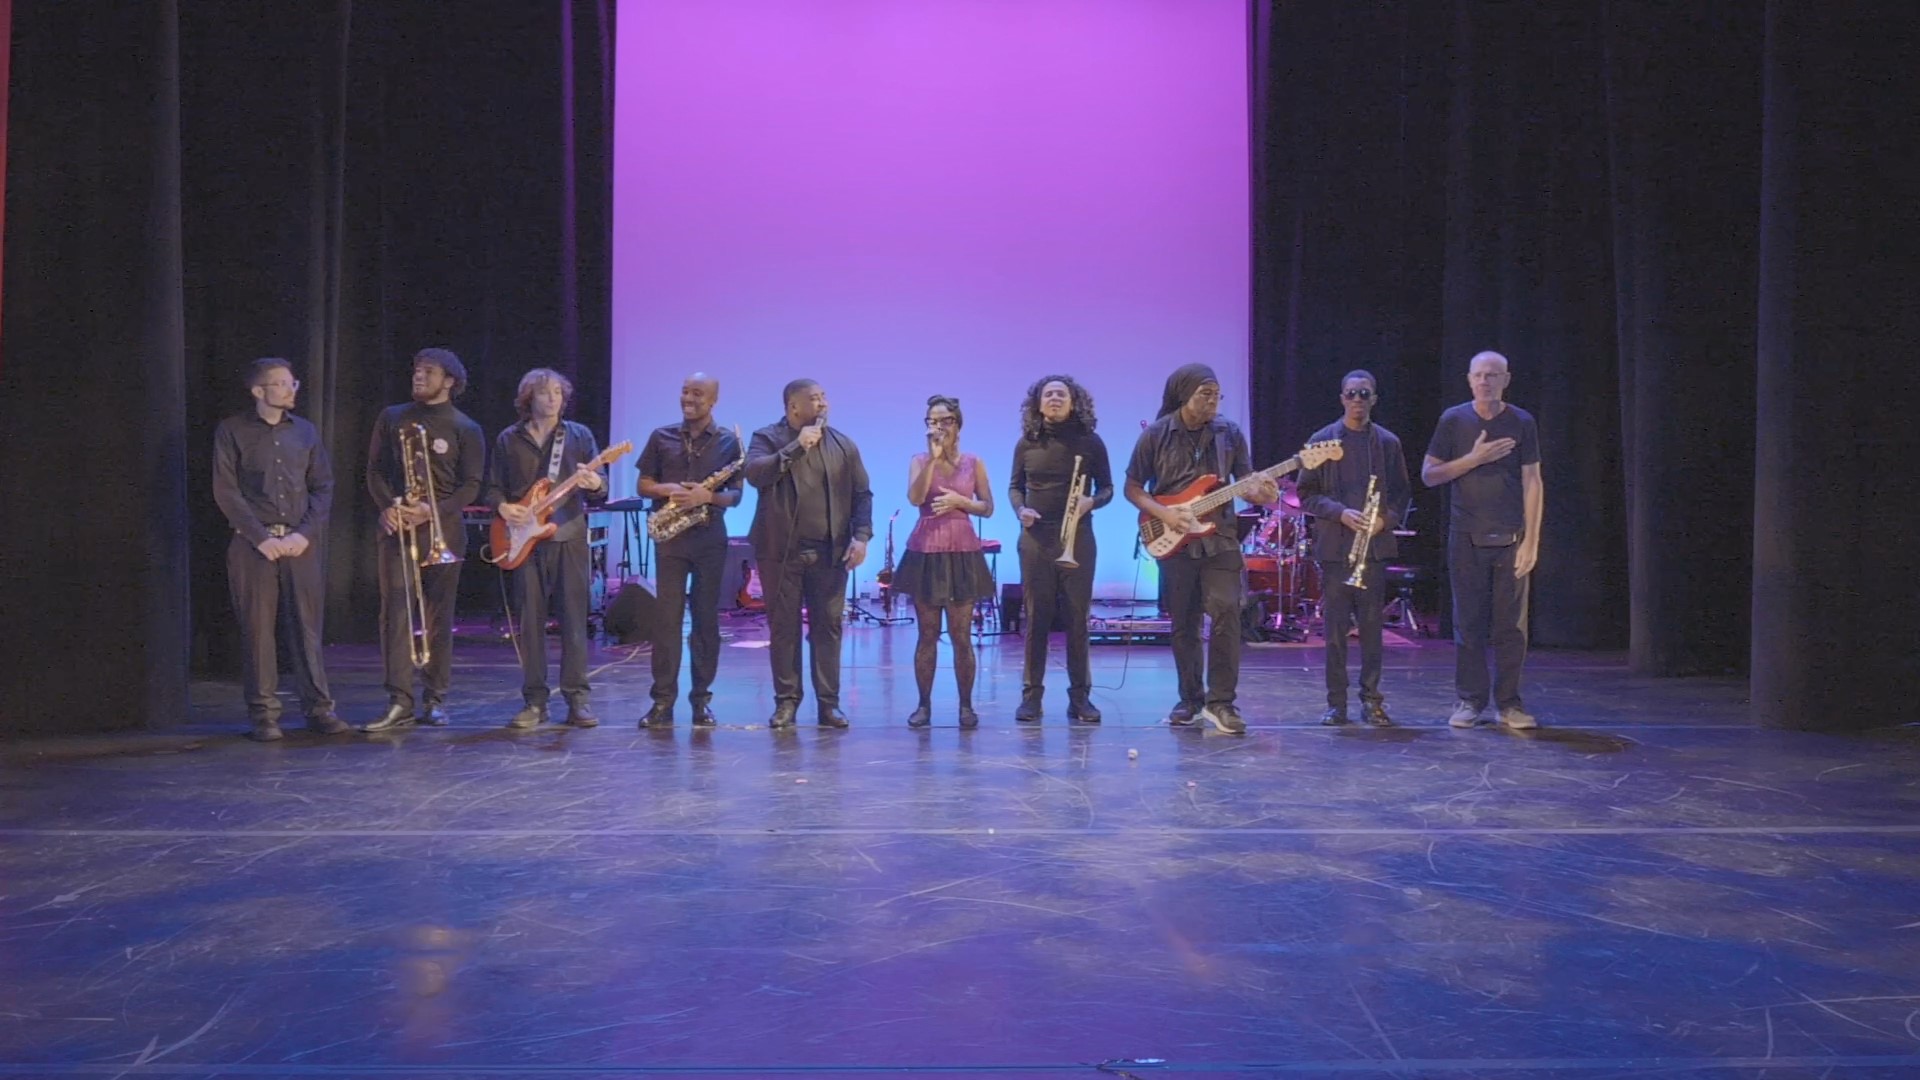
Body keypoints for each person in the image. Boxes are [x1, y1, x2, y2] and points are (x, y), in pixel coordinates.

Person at [1125, 364, 1280, 734]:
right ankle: (1190, 699)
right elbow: (1133, 487)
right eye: (1204, 394)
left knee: (1227, 610)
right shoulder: (1157, 434)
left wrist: (1262, 491)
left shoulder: (1230, 433)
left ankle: (1222, 702)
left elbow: (1247, 482)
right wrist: (1164, 513)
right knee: (1185, 622)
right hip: (1174, 536)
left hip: (1220, 535)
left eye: (1216, 395)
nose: (1212, 401)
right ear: (1184, 395)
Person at [210, 358, 347, 742]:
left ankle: (319, 709)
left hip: (300, 543)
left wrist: (304, 534)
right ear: (259, 392)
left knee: (306, 628)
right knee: (257, 632)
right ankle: (264, 715)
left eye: (293, 383)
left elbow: (323, 486)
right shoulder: (232, 431)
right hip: (254, 545)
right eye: (282, 384)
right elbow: (226, 490)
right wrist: (260, 537)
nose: (291, 390)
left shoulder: (304, 432)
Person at [363, 348, 486, 732]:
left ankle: (434, 699)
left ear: (449, 381)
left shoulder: (465, 427)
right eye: (416, 370)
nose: (418, 376)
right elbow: (375, 472)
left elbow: (471, 486)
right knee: (395, 614)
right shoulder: (393, 417)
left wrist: (433, 510)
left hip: (442, 531)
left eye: (428, 372)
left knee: (438, 618)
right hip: (399, 529)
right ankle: (399, 699)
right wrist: (390, 507)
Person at [1421, 350, 1544, 730]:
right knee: (1469, 623)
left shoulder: (1522, 421)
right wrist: (1474, 458)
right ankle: (1469, 700)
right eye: (1479, 375)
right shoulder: (1453, 420)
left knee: (1511, 627)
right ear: (1469, 379)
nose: (1485, 381)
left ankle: (1509, 704)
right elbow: (1430, 475)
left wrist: (1531, 542)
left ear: (1506, 379)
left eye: (1493, 375)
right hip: (1466, 537)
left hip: (1511, 538)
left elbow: (1533, 481)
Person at [744, 379, 873, 729]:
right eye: (813, 399)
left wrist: (861, 537)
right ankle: (786, 702)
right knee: (783, 628)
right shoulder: (767, 438)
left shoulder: (842, 444)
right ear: (792, 407)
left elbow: (863, 494)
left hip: (829, 552)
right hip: (780, 551)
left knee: (827, 628)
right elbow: (754, 473)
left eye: (823, 397)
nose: (822, 404)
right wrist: (795, 448)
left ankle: (828, 704)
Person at [489, 368, 607, 730]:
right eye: (544, 393)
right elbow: (493, 487)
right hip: (524, 541)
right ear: (529, 399)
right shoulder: (509, 439)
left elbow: (601, 489)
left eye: (558, 392)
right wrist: (503, 507)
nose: (553, 398)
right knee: (530, 624)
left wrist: (594, 481)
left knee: (574, 621)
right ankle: (534, 702)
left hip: (567, 535)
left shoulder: (579, 435)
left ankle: (578, 700)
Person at [1297, 370, 1412, 726]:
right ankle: (1337, 704)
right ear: (1342, 398)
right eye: (1351, 394)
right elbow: (1306, 494)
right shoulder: (1322, 440)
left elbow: (1402, 494)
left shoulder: (1387, 443)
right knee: (1334, 633)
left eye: (1364, 394)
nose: (1358, 399)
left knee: (1373, 630)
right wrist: (1340, 513)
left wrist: (1384, 521)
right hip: (1335, 549)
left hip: (1373, 549)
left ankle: (1372, 700)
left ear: (1374, 398)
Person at [635, 373, 743, 728]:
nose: (689, 398)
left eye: (697, 393)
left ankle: (701, 701)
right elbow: (644, 483)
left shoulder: (729, 442)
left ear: (713, 400)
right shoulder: (661, 436)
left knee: (705, 622)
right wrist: (671, 491)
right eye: (684, 391)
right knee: (665, 622)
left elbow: (736, 496)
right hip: (671, 538)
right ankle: (662, 702)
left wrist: (706, 496)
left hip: (710, 538)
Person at [1007, 375, 1112, 724]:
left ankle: (1079, 698)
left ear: (1073, 402)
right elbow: (1014, 487)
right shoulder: (1026, 443)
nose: (1054, 398)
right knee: (1036, 618)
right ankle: (1031, 697)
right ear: (1038, 403)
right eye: (1048, 393)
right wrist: (1020, 510)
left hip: (1078, 538)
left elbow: (1108, 488)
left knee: (1077, 620)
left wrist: (1091, 502)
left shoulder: (1090, 442)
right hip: (1036, 539)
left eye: (1061, 394)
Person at [894, 395, 996, 729]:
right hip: (926, 549)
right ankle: (924, 705)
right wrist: (933, 462)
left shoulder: (973, 461)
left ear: (958, 423)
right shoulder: (919, 459)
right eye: (932, 421)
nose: (938, 427)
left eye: (945, 420)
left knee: (961, 635)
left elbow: (988, 507)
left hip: (962, 549)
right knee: (927, 634)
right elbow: (915, 498)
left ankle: (966, 706)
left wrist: (961, 501)